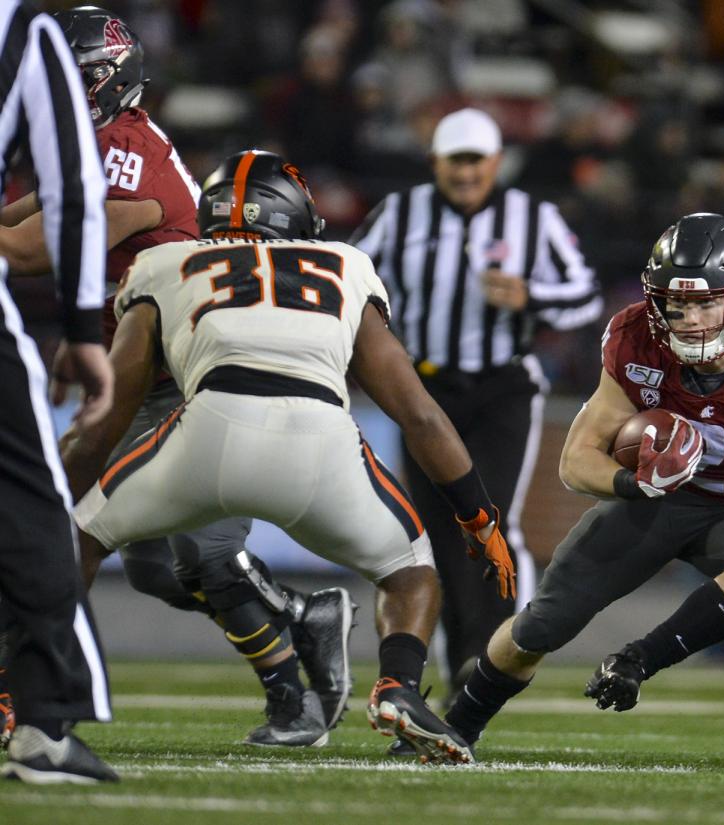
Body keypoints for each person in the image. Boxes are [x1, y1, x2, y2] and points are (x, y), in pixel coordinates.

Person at [56, 149, 517, 765]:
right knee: (410, 572)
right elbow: (420, 413)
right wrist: (478, 517)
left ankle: (19, 685)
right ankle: (397, 686)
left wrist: (50, 500)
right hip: (321, 439)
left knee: (74, 539)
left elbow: (107, 415)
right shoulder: (345, 265)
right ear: (295, 214)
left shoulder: (164, 263)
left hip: (208, 430)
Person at [0, 5, 357, 749]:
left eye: (68, 80)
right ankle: (302, 618)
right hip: (139, 365)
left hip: (192, 373)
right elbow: (30, 222)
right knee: (160, 568)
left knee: (171, 549)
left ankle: (292, 700)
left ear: (106, 82)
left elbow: (32, 250)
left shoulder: (121, 151)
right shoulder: (94, 145)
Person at [432, 212, 724, 750]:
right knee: (540, 627)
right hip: (655, 505)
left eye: (707, 302)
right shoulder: (635, 337)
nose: (690, 320)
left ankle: (638, 658)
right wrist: (635, 484)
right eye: (677, 304)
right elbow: (576, 461)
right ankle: (455, 729)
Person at [349, 107, 601, 720]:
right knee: (435, 530)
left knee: (490, 516)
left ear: (494, 163)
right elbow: (348, 275)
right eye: (454, 160)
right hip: (423, 390)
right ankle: (459, 661)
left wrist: (530, 295)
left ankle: (500, 654)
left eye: (475, 160)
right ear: (436, 162)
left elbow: (584, 293)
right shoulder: (400, 213)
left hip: (501, 387)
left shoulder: (532, 218)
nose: (465, 172)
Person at [0, 0, 115, 785]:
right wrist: (82, 326)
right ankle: (43, 715)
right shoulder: (21, 31)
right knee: (33, 498)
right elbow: (77, 187)